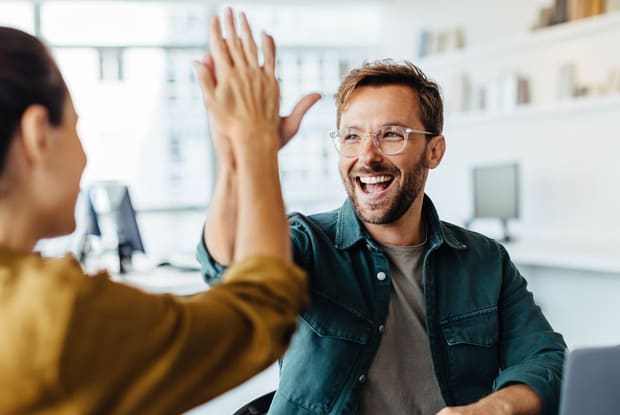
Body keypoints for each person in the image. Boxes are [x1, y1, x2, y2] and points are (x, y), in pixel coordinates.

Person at [198, 55, 567, 413]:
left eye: (391, 135)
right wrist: (238, 158)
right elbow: (228, 268)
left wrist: (495, 408)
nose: (368, 155)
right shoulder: (307, 243)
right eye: (352, 136)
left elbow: (546, 359)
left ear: (434, 150)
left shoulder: (485, 260)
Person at [0, 9, 314, 414]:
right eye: (76, 128)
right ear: (37, 134)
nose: (84, 156)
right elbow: (260, 312)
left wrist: (238, 158)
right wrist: (255, 142)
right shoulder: (51, 315)